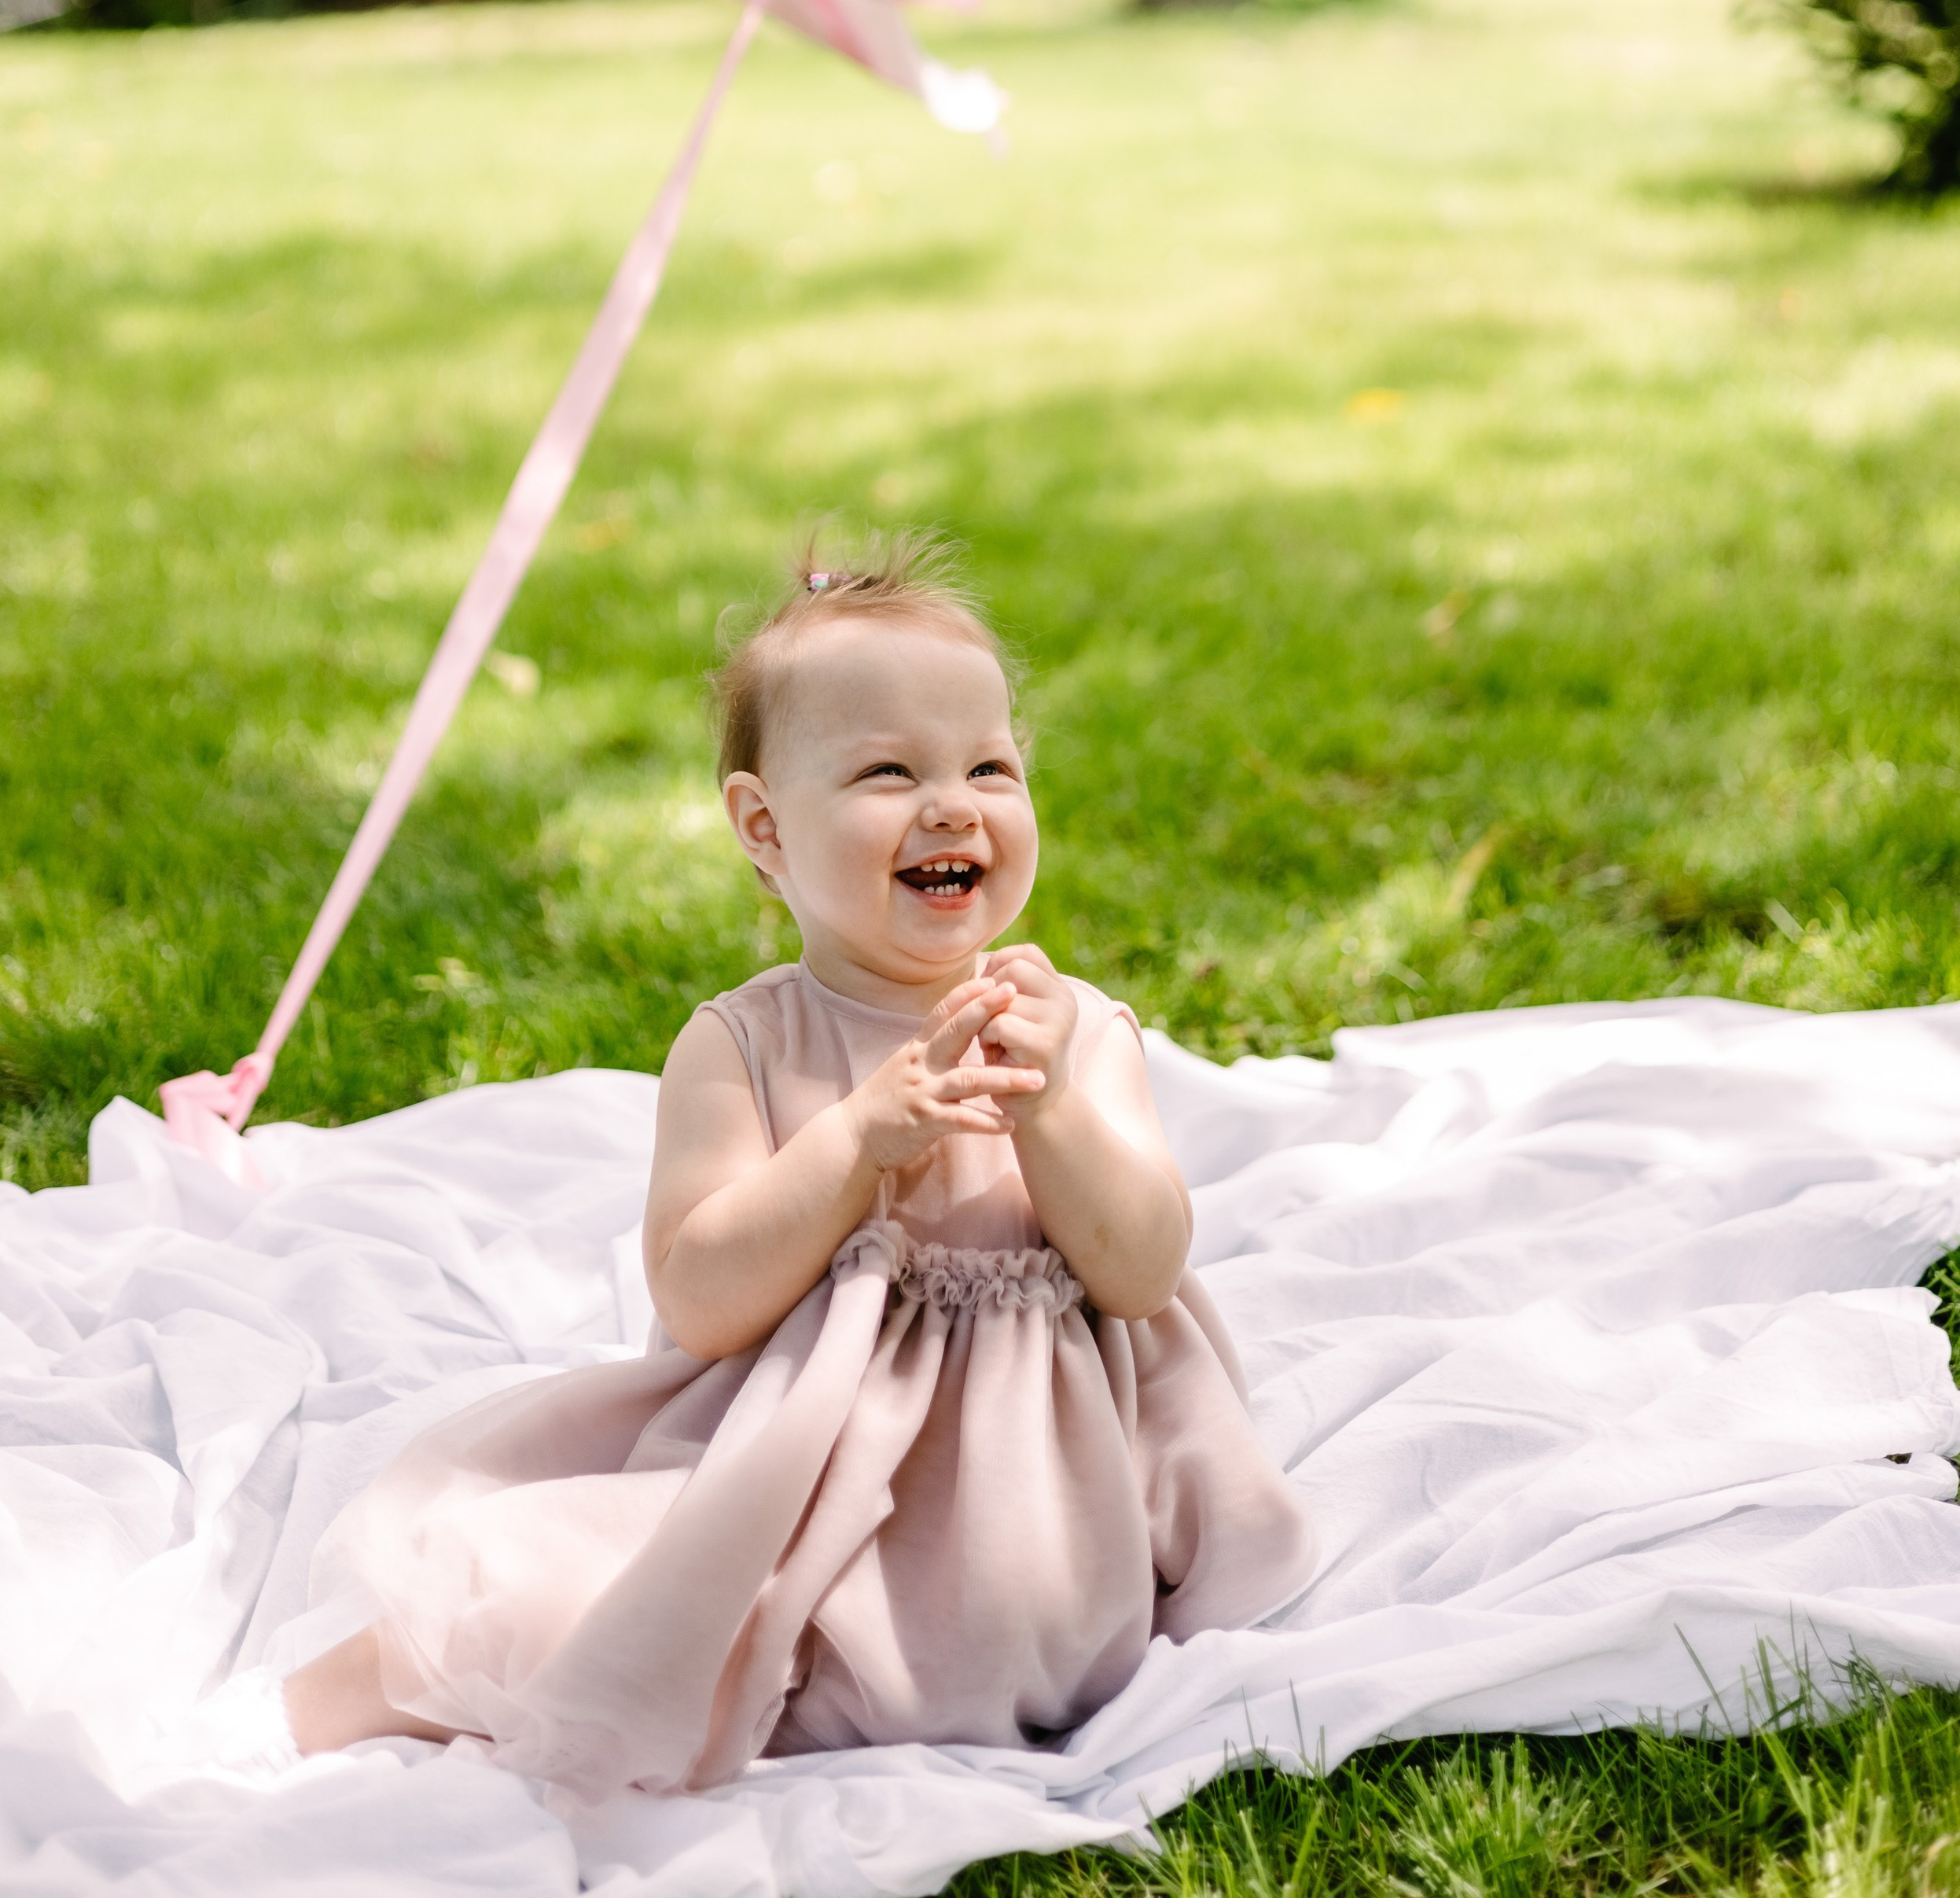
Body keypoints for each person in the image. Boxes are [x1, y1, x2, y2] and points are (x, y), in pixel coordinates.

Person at [280, 539, 1314, 1799]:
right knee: (594, 1606)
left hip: (1047, 1495)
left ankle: (922, 1664)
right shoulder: (743, 1047)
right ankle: (287, 1743)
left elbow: (1145, 1267)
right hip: (808, 1470)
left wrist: (1049, 1113)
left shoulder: (1074, 1031)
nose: (953, 804)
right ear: (764, 828)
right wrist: (853, 1144)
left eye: (990, 766)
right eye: (889, 771)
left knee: (1007, 1626)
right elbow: (701, 1298)